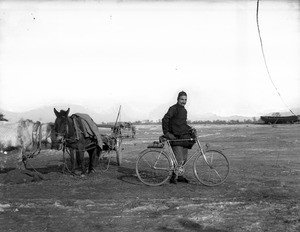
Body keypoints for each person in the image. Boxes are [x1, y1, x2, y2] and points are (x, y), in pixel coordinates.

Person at [162, 91, 194, 184]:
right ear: (177, 99)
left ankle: (180, 177)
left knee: (184, 159)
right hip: (175, 138)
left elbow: (182, 124)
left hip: (183, 138)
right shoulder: (173, 109)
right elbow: (165, 119)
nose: (183, 101)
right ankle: (173, 177)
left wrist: (190, 129)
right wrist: (167, 132)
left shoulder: (184, 110)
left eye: (185, 100)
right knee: (178, 159)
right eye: (182, 99)